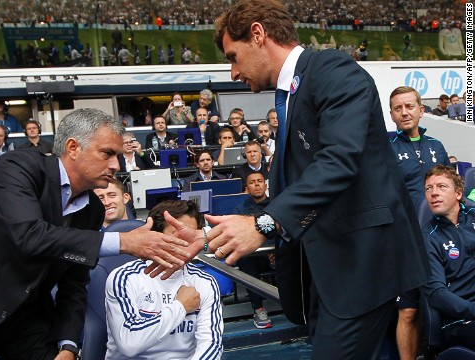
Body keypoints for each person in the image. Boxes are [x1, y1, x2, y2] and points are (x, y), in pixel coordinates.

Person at [181, 1, 431, 358]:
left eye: (234, 57)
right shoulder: (294, 94)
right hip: (326, 276)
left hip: (362, 269)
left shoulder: (333, 69)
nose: (233, 72)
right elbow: (300, 186)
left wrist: (265, 223)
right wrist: (209, 236)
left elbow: (339, 160)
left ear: (258, 34)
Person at [0, 108, 190, 359]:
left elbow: (74, 281)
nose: (116, 165)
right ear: (73, 147)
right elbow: (31, 236)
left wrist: (68, 346)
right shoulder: (18, 168)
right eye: (107, 154)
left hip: (24, 316)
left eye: (118, 156)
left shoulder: (91, 209)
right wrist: (124, 242)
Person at [105, 200, 223, 359]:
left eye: (191, 235)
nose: (186, 244)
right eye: (178, 236)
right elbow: (129, 343)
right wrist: (180, 306)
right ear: (156, 236)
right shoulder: (124, 278)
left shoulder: (205, 282)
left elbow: (211, 344)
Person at [422, 165, 475, 351]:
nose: (433, 193)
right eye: (429, 188)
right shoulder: (428, 237)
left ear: (459, 194)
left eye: (441, 186)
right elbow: (437, 294)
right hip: (461, 321)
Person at [233, 172, 274, 329]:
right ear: (247, 188)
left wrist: (275, 250)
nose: (257, 184)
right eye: (252, 182)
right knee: (246, 259)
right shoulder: (240, 210)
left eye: (260, 181)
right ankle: (258, 309)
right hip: (255, 256)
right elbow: (241, 237)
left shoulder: (277, 205)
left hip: (277, 253)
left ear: (265, 185)